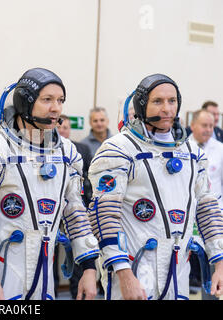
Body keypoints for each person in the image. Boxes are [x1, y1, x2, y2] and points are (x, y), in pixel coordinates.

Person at [0, 68, 99, 300]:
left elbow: (75, 214)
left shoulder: (67, 151)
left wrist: (90, 268)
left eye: (60, 100)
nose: (56, 108)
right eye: (47, 100)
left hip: (44, 279)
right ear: (24, 102)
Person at [87, 73, 223, 300]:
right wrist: (124, 273)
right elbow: (104, 216)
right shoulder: (119, 149)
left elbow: (207, 208)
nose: (167, 109)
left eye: (172, 101)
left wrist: (219, 261)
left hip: (178, 270)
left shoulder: (192, 153)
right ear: (142, 105)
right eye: (158, 101)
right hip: (135, 270)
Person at [57, 114, 94, 299]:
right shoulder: (45, 149)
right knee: (51, 250)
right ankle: (52, 289)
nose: (62, 130)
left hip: (75, 203)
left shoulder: (81, 149)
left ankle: (76, 292)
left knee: (78, 245)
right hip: (52, 207)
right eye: (59, 127)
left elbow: (87, 177)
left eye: (65, 127)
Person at [189, 109, 223, 300]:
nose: (209, 129)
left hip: (213, 218)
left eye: (212, 126)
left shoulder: (220, 149)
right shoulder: (182, 148)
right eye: (204, 125)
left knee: (212, 268)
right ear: (192, 125)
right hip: (186, 219)